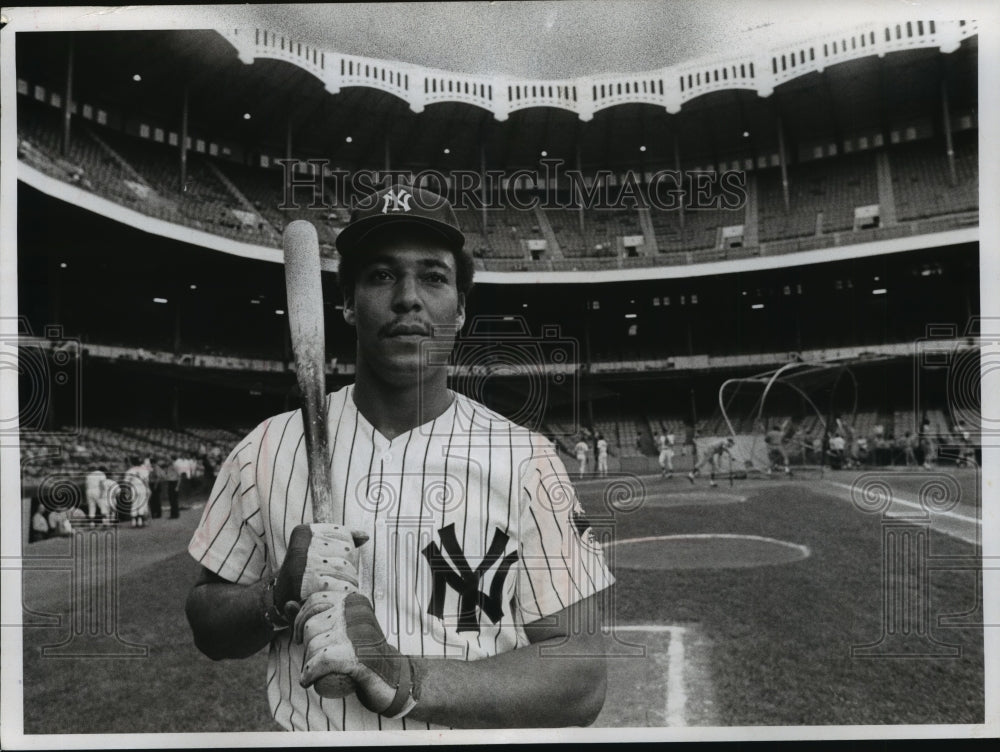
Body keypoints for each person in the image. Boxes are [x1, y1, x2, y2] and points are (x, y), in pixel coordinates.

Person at [185, 184, 613, 731]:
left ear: (460, 310)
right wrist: (275, 597)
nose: (408, 296)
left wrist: (404, 679)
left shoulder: (527, 461)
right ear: (346, 302)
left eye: (434, 276)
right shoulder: (264, 449)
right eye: (381, 275)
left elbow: (581, 678)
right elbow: (207, 624)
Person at [125, 458, 150, 528]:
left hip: (134, 488)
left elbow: (127, 483)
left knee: (134, 505)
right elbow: (146, 481)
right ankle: (140, 521)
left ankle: (134, 522)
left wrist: (127, 492)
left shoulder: (129, 471)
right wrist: (148, 489)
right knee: (142, 504)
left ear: (132, 463)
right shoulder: (144, 470)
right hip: (142, 487)